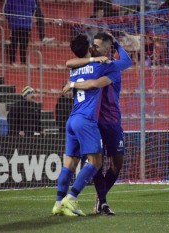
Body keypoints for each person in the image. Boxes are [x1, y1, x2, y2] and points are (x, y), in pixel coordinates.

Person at [52, 33, 129, 217]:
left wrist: (72, 84)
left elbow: (69, 63)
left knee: (71, 163)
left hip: (74, 119)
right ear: (89, 49)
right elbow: (97, 80)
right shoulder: (98, 66)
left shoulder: (77, 67)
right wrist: (96, 59)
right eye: (92, 45)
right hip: (88, 121)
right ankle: (73, 199)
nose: (94, 47)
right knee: (96, 162)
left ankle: (58, 203)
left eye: (97, 45)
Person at [4, 0, 36, 65]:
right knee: (23, 44)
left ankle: (12, 61)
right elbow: (33, 10)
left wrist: (10, 19)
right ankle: (23, 62)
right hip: (25, 24)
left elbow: (6, 10)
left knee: (14, 43)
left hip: (15, 23)